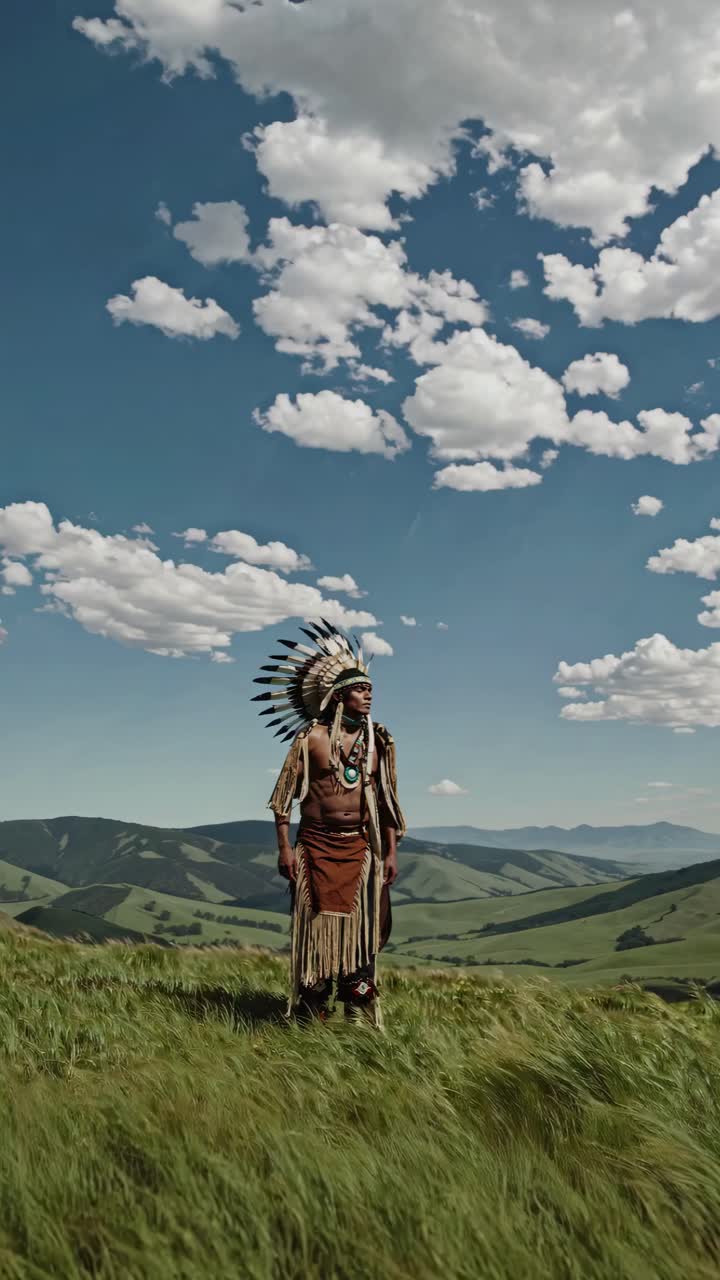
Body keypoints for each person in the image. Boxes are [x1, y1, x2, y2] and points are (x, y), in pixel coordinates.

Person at [252, 620, 404, 1027]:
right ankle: (312, 1012)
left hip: (361, 847)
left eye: (370, 689)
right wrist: (284, 848)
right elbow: (284, 797)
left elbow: (387, 802)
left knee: (363, 932)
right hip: (315, 847)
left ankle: (357, 1011)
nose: (368, 695)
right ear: (338, 695)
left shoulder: (379, 742)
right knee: (315, 932)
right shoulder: (311, 740)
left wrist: (391, 852)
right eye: (360, 689)